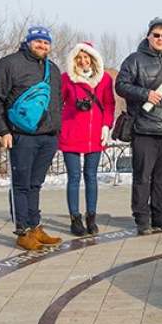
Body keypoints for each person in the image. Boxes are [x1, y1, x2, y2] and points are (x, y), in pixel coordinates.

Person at [0, 25, 64, 251]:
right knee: (21, 185)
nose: (42, 45)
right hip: (21, 136)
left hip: (47, 137)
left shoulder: (53, 69)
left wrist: (56, 132)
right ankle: (22, 231)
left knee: (35, 184)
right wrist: (3, 131)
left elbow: (57, 103)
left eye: (46, 42)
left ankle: (35, 226)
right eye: (38, 41)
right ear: (28, 41)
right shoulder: (9, 64)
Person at [115, 17, 162, 235]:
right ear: (148, 36)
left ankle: (160, 216)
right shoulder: (134, 60)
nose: (160, 39)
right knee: (143, 176)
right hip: (144, 128)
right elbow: (120, 85)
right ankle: (142, 219)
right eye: (156, 35)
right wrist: (145, 93)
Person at [59, 41, 115, 236]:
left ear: (93, 59)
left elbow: (109, 104)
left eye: (86, 57)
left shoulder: (105, 79)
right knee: (73, 177)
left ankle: (91, 216)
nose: (83, 61)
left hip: (94, 136)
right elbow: (58, 103)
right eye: (79, 58)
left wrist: (106, 125)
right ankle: (75, 218)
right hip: (71, 133)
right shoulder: (67, 78)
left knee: (91, 176)